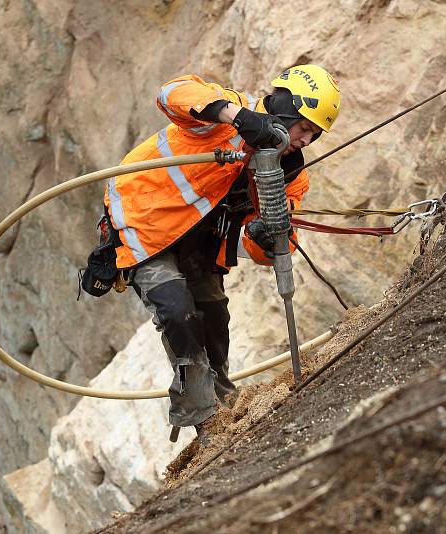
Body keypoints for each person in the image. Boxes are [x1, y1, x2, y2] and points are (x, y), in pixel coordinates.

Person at [102, 64, 341, 442]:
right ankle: (206, 423)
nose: (307, 141)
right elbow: (173, 91)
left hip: (199, 244)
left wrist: (265, 238)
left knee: (213, 315)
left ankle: (225, 404)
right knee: (178, 311)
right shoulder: (222, 116)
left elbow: (271, 247)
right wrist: (239, 118)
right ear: (286, 110)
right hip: (144, 227)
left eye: (315, 134)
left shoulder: (290, 172)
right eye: (305, 128)